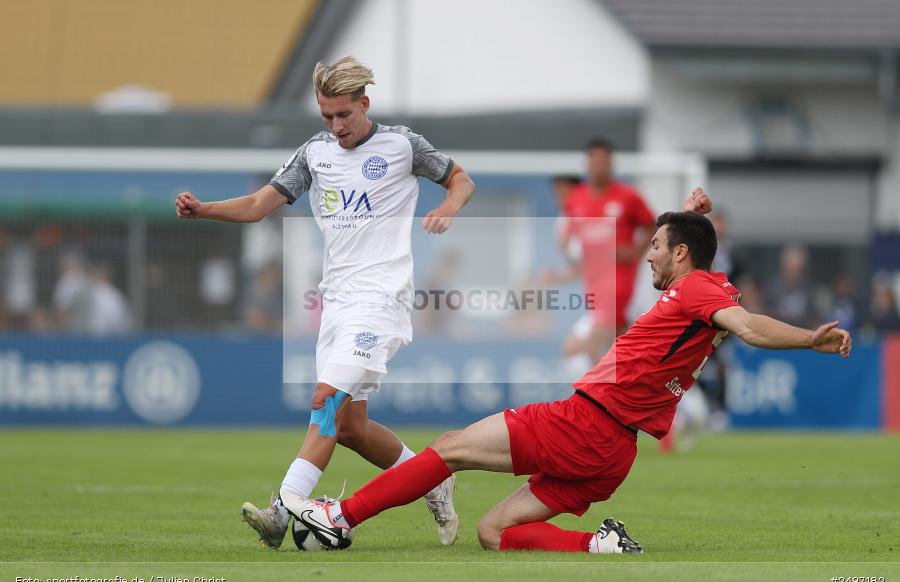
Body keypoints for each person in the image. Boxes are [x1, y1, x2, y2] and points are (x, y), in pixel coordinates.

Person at [290, 189, 852, 554]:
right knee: (493, 533)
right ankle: (598, 546)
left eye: (656, 248)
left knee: (451, 447)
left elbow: (749, 325)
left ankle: (341, 517)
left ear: (681, 255)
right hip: (614, 455)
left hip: (586, 423)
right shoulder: (696, 288)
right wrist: (686, 213)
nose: (646, 256)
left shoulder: (699, 289)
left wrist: (810, 339)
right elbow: (697, 271)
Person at [175, 56, 476, 548]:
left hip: (382, 298)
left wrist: (446, 206)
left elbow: (461, 178)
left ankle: (281, 510)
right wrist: (204, 209)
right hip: (336, 302)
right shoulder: (314, 154)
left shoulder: (402, 145)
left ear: (365, 103)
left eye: (344, 115)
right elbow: (257, 206)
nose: (336, 126)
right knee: (352, 427)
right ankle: (432, 478)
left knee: (325, 401)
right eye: (326, 116)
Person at [546, 139, 657, 364]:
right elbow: (573, 245)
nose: (599, 166)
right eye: (594, 161)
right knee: (623, 342)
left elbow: (651, 225)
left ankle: (601, 394)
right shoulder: (576, 199)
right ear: (587, 164)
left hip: (620, 282)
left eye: (604, 161)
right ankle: (650, 384)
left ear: (611, 164)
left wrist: (635, 251)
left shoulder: (627, 196)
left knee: (583, 345)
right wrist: (566, 260)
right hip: (595, 284)